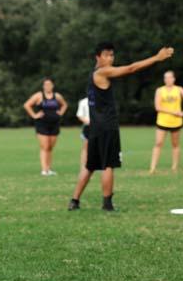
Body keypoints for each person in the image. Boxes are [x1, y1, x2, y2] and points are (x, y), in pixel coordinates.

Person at [68, 43, 174, 211]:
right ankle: (107, 204)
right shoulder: (103, 72)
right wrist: (156, 58)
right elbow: (131, 69)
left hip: (95, 128)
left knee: (89, 166)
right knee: (108, 164)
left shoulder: (92, 75)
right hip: (107, 127)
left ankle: (74, 201)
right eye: (106, 55)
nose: (110, 58)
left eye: (112, 55)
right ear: (98, 57)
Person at [148, 71, 183, 173]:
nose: (167, 80)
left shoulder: (179, 89)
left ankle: (174, 168)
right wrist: (173, 112)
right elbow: (158, 107)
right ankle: (153, 168)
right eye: (166, 78)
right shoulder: (160, 90)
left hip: (176, 122)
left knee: (175, 144)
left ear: (174, 79)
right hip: (162, 121)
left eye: (170, 78)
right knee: (158, 143)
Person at [24, 78, 68, 175]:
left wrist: (60, 113)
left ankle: (49, 169)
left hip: (54, 124)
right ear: (43, 86)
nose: (48, 86)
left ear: (53, 86)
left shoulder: (57, 96)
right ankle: (44, 170)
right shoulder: (39, 96)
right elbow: (27, 105)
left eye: (50, 84)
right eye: (46, 84)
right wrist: (34, 115)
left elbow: (64, 104)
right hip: (42, 124)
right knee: (44, 146)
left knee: (50, 147)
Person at [76, 97, 90, 169]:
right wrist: (87, 121)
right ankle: (83, 166)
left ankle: (99, 165)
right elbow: (79, 115)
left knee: (100, 146)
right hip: (88, 126)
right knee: (86, 147)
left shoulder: (102, 100)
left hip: (100, 126)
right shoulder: (84, 101)